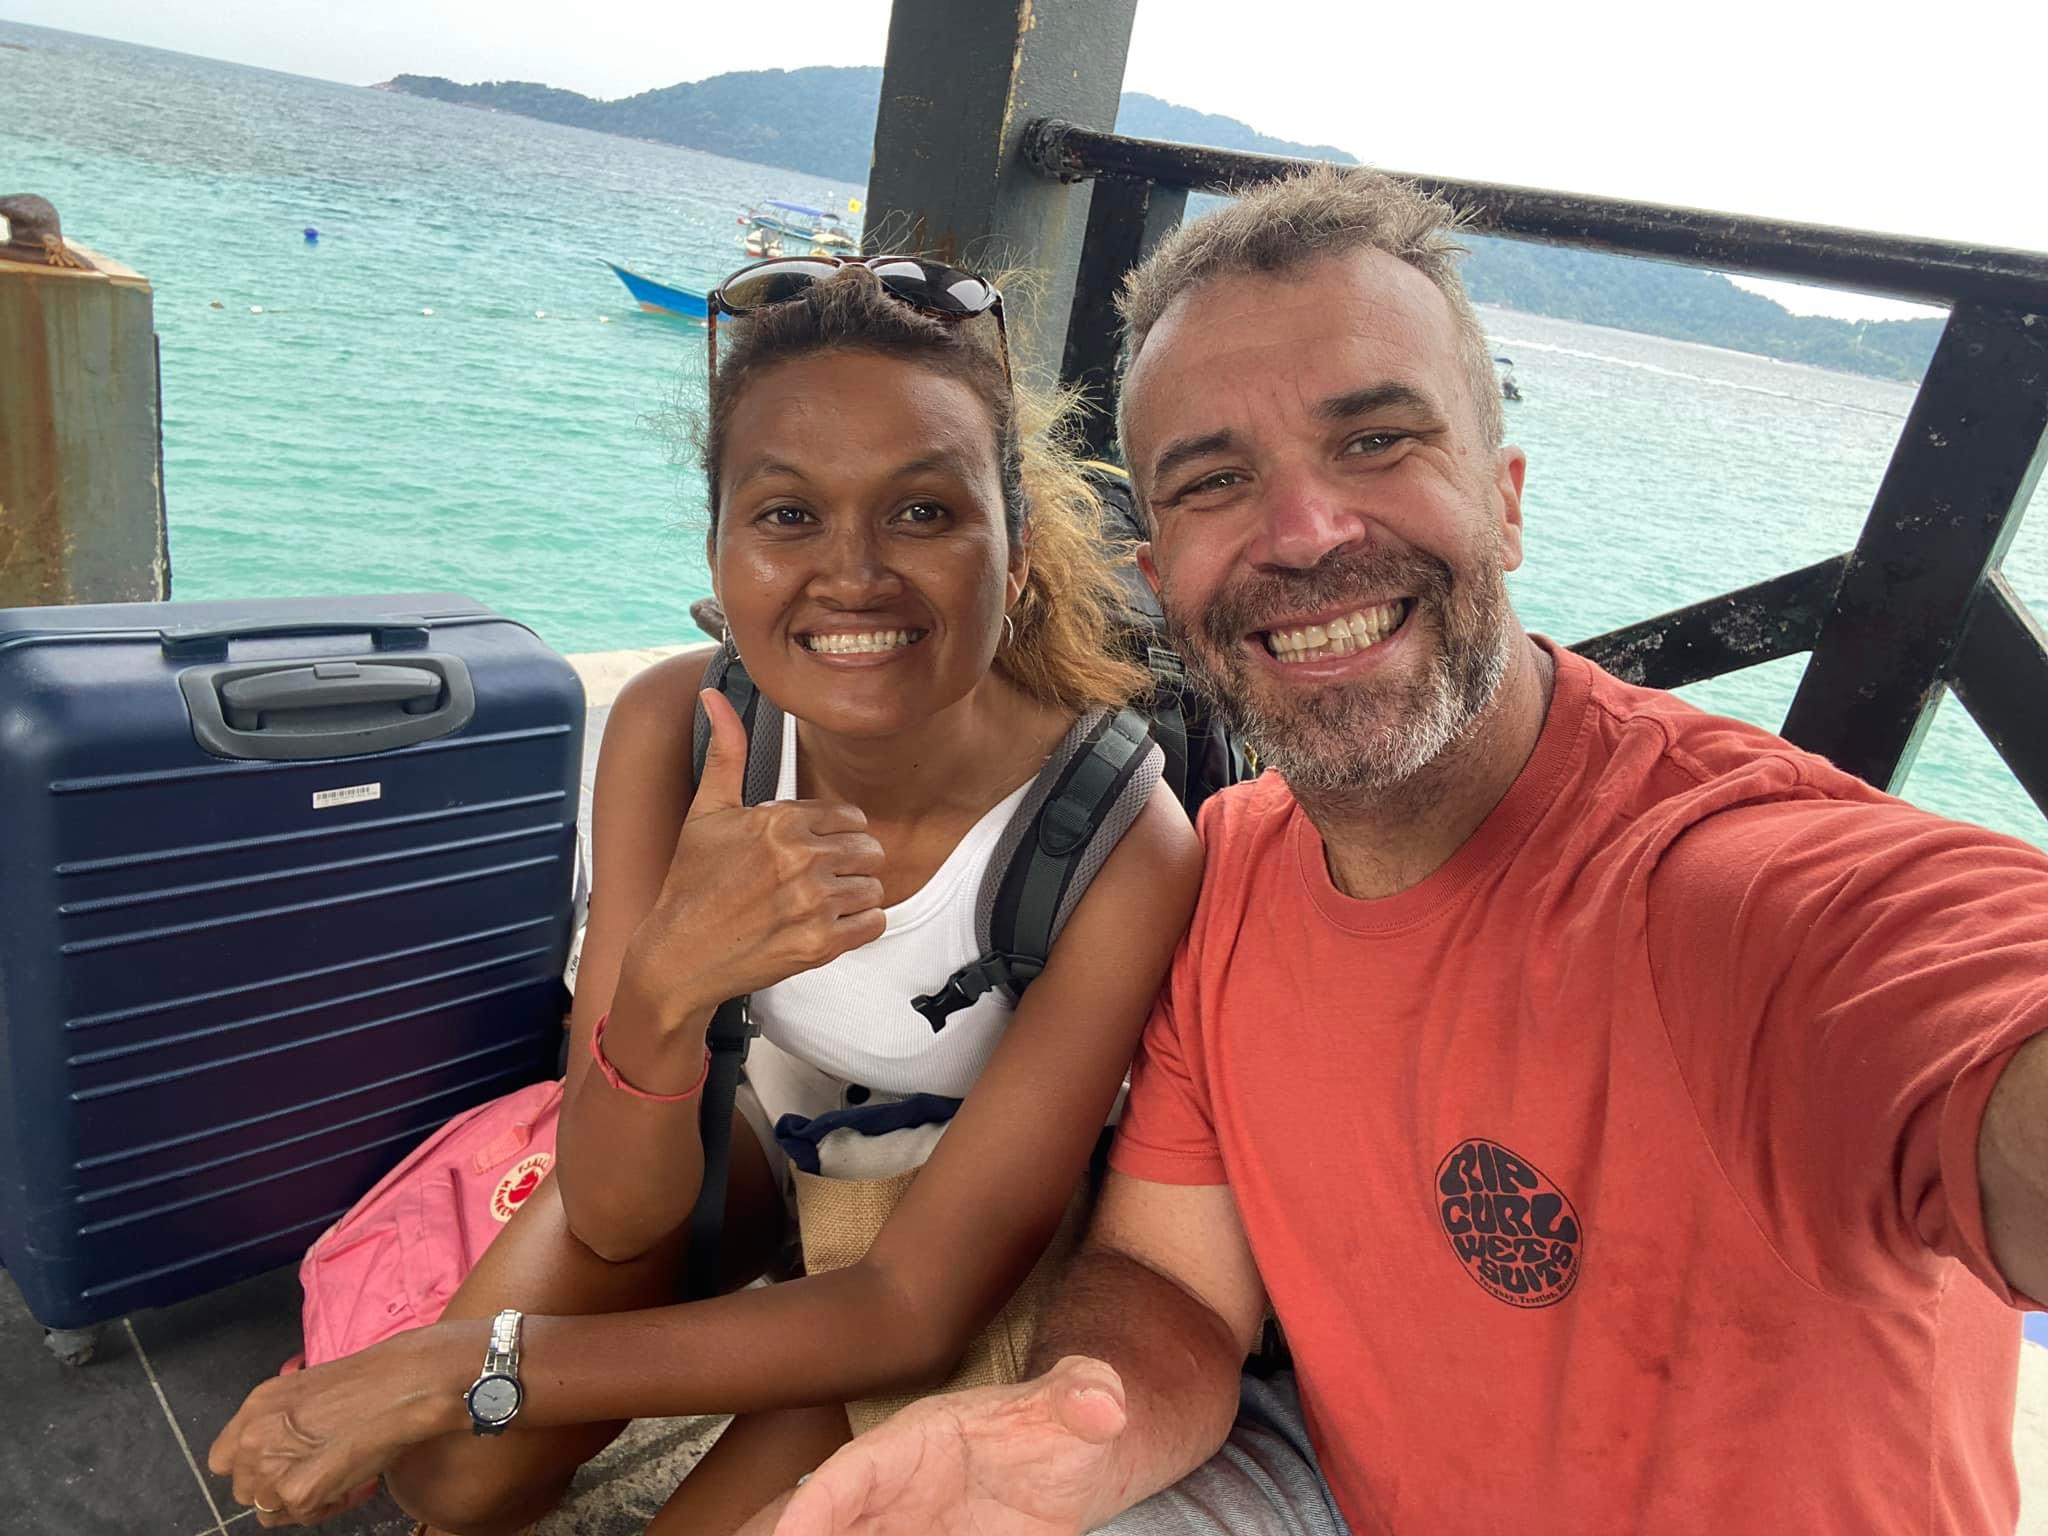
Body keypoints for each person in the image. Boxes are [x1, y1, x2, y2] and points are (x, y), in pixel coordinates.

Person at [734, 166, 2048, 1536]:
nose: (1304, 534)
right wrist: (1073, 1431)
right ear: (1158, 573)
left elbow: (1971, 1016)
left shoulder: (1740, 886)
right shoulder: (1227, 864)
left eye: (1375, 444)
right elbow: (1173, 1287)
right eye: (1215, 479)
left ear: (1508, 498)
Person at [206, 259, 1202, 1533]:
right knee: (451, 1476)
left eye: (922, 514)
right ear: (722, 553)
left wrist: (459, 1364)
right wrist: (664, 989)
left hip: (932, 1222)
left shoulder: (1110, 843)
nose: (851, 574)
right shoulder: (678, 731)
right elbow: (621, 1211)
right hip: (746, 1128)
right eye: (787, 516)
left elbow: (909, 1311)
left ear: (1012, 560)